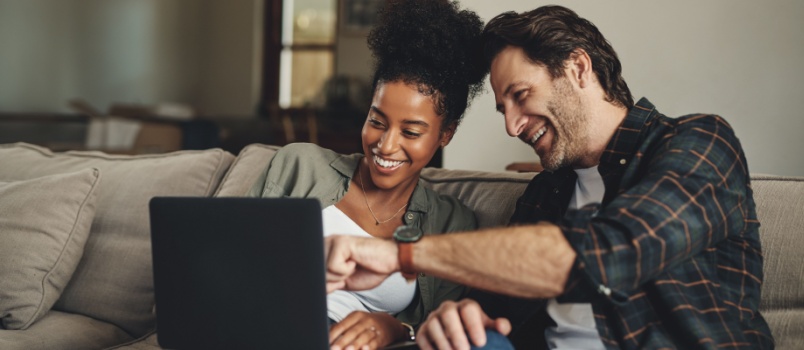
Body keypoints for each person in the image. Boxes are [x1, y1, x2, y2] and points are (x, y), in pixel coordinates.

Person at [324, 5, 774, 350]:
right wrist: (454, 319)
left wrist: (401, 255)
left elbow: (607, 255)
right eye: (503, 109)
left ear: (578, 68)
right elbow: (491, 307)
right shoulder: (548, 191)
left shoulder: (699, 144)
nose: (512, 126)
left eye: (521, 95)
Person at [247, 1, 488, 349]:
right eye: (376, 121)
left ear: (445, 134)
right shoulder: (299, 165)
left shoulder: (452, 223)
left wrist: (395, 327)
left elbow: (441, 326)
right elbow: (228, 259)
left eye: (411, 132)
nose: (385, 146)